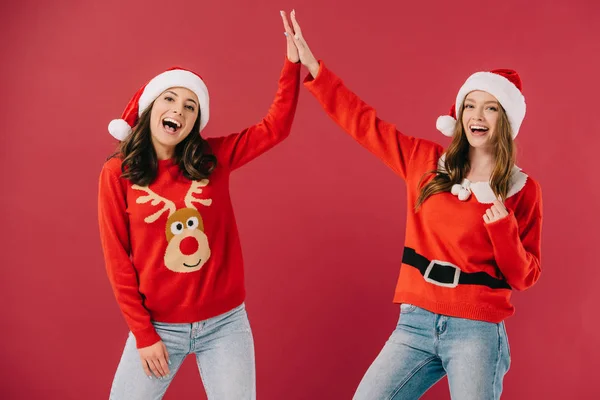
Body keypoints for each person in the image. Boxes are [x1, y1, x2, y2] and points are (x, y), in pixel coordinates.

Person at [280, 10, 542, 399]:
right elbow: (365, 124)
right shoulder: (424, 161)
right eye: (470, 105)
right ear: (459, 113)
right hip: (416, 322)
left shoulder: (522, 189)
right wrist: (314, 68)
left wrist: (502, 226)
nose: (477, 115)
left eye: (490, 107)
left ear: (505, 120)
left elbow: (524, 276)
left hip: (477, 329)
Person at [97, 29, 301, 399]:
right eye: (170, 99)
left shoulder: (213, 159)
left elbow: (275, 128)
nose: (178, 109)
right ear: (151, 107)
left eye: (190, 106)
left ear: (196, 121)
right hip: (158, 328)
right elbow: (117, 260)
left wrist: (292, 64)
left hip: (225, 324)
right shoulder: (118, 173)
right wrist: (144, 335)